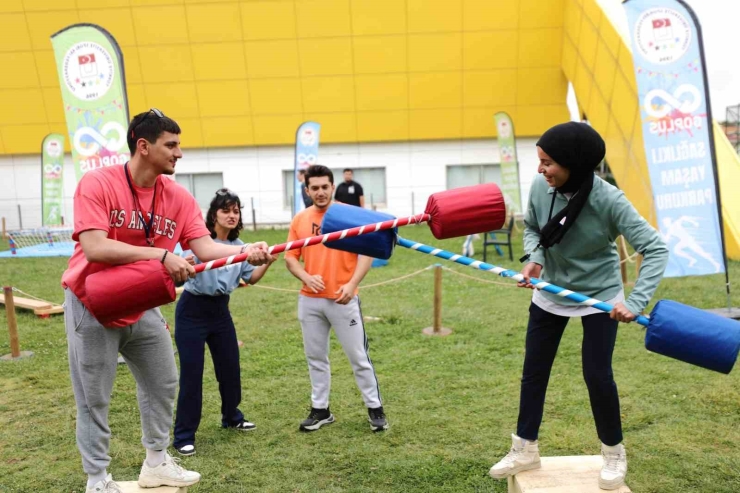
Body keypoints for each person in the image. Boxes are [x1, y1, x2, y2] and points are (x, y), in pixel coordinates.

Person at [62, 108, 270, 493]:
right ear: (144, 146)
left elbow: (205, 247)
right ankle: (97, 479)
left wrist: (247, 252)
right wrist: (159, 256)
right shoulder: (97, 183)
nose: (178, 153)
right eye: (171, 145)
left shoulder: (177, 196)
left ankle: (156, 462)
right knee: (94, 396)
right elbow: (93, 247)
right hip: (91, 301)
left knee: (163, 381)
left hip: (141, 303)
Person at [488, 122, 668, 490]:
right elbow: (534, 229)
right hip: (550, 289)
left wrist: (633, 302)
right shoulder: (542, 187)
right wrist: (534, 258)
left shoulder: (610, 200)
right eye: (539, 161)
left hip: (598, 295)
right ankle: (525, 448)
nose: (540, 170)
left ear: (574, 163)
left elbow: (655, 248)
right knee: (534, 371)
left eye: (548, 162)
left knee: (597, 375)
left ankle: (614, 453)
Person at [173, 188, 278, 457]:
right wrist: (181, 265)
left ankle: (232, 416)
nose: (232, 215)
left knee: (230, 368)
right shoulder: (196, 243)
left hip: (221, 311)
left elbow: (251, 278)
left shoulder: (240, 245)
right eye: (225, 210)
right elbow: (177, 274)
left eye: (236, 210)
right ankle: (184, 435)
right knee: (192, 374)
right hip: (192, 311)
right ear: (214, 215)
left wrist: (267, 262)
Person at [285, 164, 388, 432]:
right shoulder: (300, 220)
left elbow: (367, 253)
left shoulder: (348, 215)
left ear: (333, 187)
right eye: (314, 188)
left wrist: (352, 283)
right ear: (307, 190)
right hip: (310, 300)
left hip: (343, 299)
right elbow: (290, 257)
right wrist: (306, 278)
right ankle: (321, 410)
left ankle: (375, 408)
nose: (320, 192)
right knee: (315, 357)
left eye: (324, 187)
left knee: (358, 357)